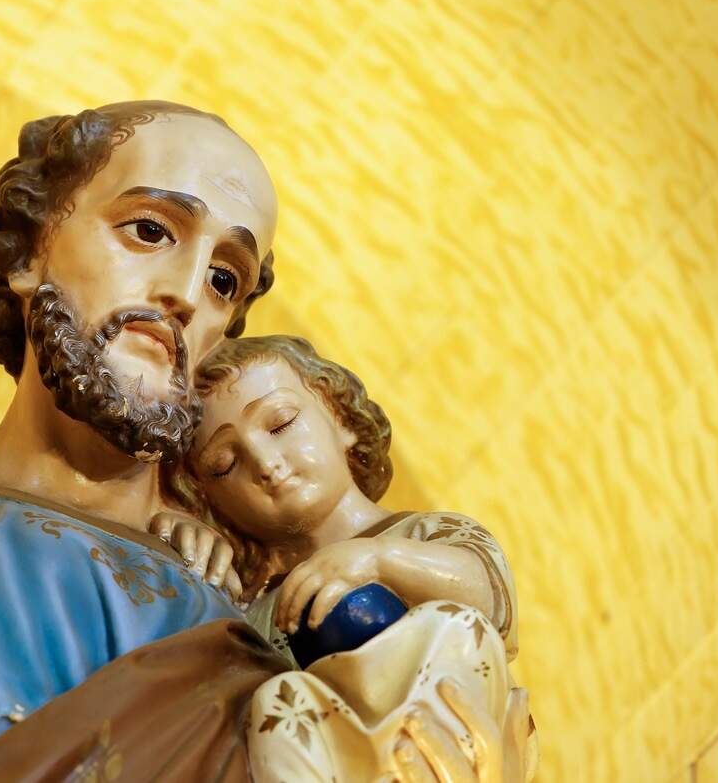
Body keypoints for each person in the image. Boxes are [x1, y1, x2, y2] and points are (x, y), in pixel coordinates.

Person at [0, 101, 530, 781]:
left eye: (224, 279)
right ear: (30, 249)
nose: (184, 292)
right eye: (150, 231)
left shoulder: (243, 641)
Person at [158, 333, 531, 781]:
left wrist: (377, 560)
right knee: (276, 705)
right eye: (225, 464)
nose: (266, 463)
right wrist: (178, 550)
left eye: (280, 425)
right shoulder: (255, 611)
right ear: (210, 499)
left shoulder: (423, 538)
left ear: (338, 415)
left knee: (451, 624)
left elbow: (489, 599)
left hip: (452, 745)